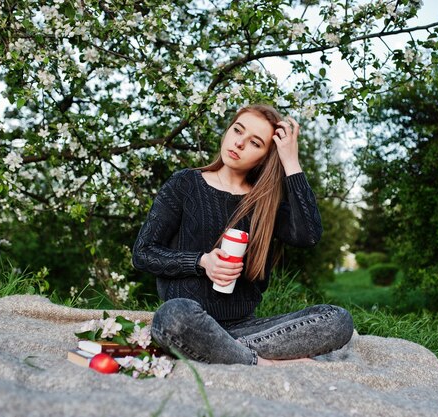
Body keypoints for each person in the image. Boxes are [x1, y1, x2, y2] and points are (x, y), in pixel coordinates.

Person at [132, 104, 353, 366]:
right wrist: (201, 261)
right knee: (172, 317)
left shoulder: (265, 202)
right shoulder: (185, 184)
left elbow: (310, 236)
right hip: (190, 320)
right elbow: (143, 254)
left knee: (338, 319)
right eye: (238, 130)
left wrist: (290, 161)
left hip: (247, 329)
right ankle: (261, 362)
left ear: (264, 157)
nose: (239, 143)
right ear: (228, 130)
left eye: (255, 143)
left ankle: (230, 353)